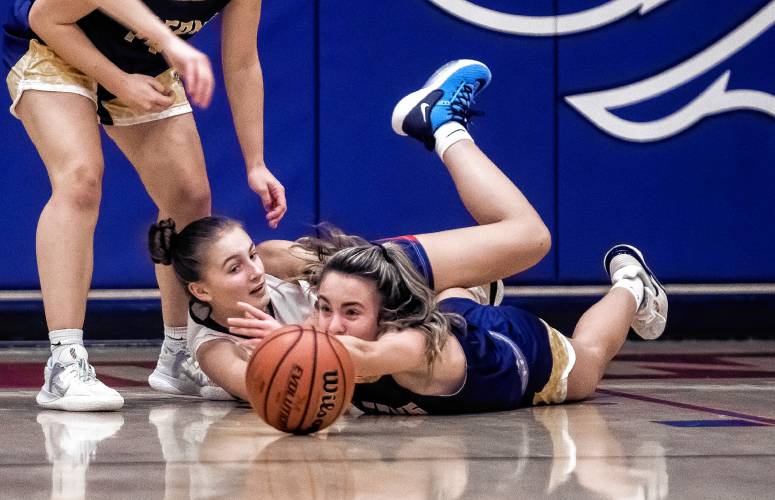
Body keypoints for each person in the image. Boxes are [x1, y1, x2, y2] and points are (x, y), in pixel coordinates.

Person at [233, 60, 669, 414]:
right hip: (447, 309)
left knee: (589, 358)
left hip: (520, 350)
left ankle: (632, 285)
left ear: (390, 317)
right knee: (512, 249)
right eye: (324, 307)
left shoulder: (409, 347)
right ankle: (471, 281)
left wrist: (286, 342)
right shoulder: (337, 325)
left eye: (351, 312)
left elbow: (363, 357)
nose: (331, 324)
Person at [149, 60, 554, 400]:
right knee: (487, 284)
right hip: (415, 330)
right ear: (201, 290)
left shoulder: (273, 260)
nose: (255, 270)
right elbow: (276, 395)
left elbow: (352, 263)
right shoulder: (215, 348)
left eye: (250, 254)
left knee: (530, 239)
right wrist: (290, 343)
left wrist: (300, 335)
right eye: (234, 268)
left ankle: (442, 124)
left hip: (386, 286)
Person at [3, 0, 285, 411]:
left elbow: (242, 63)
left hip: (141, 62)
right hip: (52, 43)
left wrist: (256, 163)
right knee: (80, 178)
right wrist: (119, 79)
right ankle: (64, 362)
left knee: (189, 198)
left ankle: (179, 352)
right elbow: (44, 18)